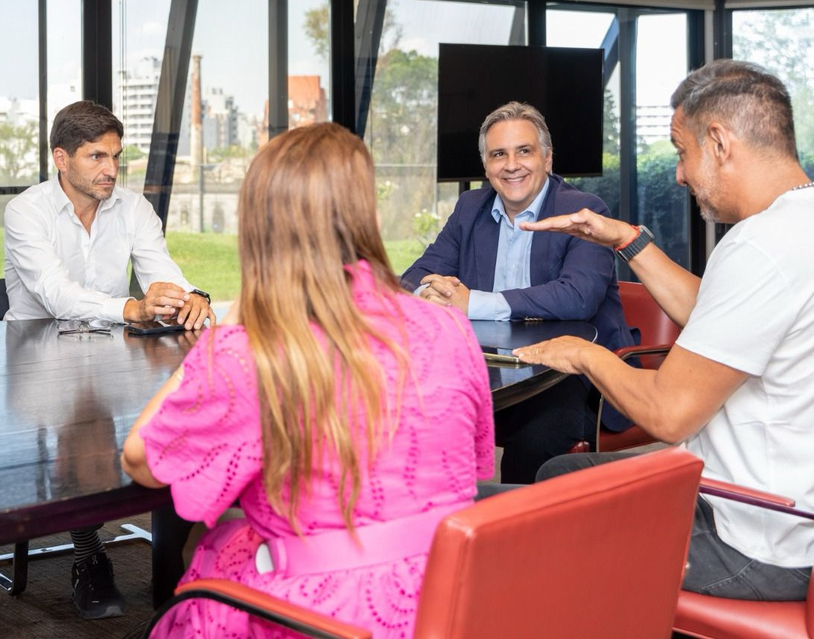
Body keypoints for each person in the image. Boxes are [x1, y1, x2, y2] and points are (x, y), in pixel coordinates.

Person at [121, 123, 494, 637]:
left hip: (323, 617)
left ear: (259, 225)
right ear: (368, 214)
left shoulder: (254, 349)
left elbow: (142, 461)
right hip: (458, 597)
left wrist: (224, 332)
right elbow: (468, 469)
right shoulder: (449, 327)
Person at [517, 60, 813, 601]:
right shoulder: (800, 225)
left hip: (757, 545)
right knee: (563, 471)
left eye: (682, 152)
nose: (678, 174)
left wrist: (585, 354)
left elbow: (668, 414)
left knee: (541, 514)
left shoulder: (760, 245)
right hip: (791, 520)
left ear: (719, 141)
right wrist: (623, 240)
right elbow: (724, 317)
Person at [2, 100, 214, 619]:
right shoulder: (26, 210)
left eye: (116, 156)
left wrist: (191, 296)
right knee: (86, 437)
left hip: (113, 352)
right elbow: (56, 294)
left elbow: (162, 268)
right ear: (61, 157)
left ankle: (175, 562)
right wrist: (133, 307)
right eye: (97, 156)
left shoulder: (132, 207)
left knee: (179, 423)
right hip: (37, 356)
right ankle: (88, 552)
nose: (110, 170)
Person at [401, 102, 634, 483]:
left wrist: (471, 302)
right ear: (486, 164)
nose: (511, 165)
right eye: (499, 154)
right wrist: (434, 289)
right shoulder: (470, 208)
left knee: (533, 442)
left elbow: (578, 295)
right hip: (490, 369)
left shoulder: (584, 210)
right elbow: (415, 276)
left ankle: (517, 535)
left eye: (524, 151)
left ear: (547, 158)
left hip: (570, 374)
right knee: (417, 417)